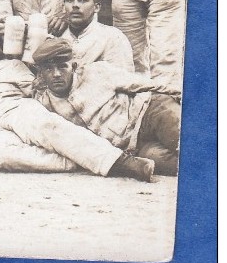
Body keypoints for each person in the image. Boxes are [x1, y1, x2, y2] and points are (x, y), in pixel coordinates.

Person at [0, 19, 156, 181]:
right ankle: (82, 160)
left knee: (51, 128)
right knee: (4, 158)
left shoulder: (9, 66)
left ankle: (123, 163)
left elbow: (38, 86)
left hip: (16, 109)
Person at [32, 39, 182, 176]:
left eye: (62, 67)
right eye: (49, 69)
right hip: (135, 145)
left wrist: (178, 94)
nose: (56, 74)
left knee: (186, 143)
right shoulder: (44, 105)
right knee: (169, 164)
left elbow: (142, 83)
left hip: (150, 112)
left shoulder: (97, 72)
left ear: (74, 66)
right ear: (41, 74)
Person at [57, 0, 133, 69]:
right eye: (70, 0)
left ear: (96, 7)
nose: (75, 5)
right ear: (63, 7)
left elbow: (122, 78)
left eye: (82, 0)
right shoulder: (57, 37)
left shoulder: (112, 37)